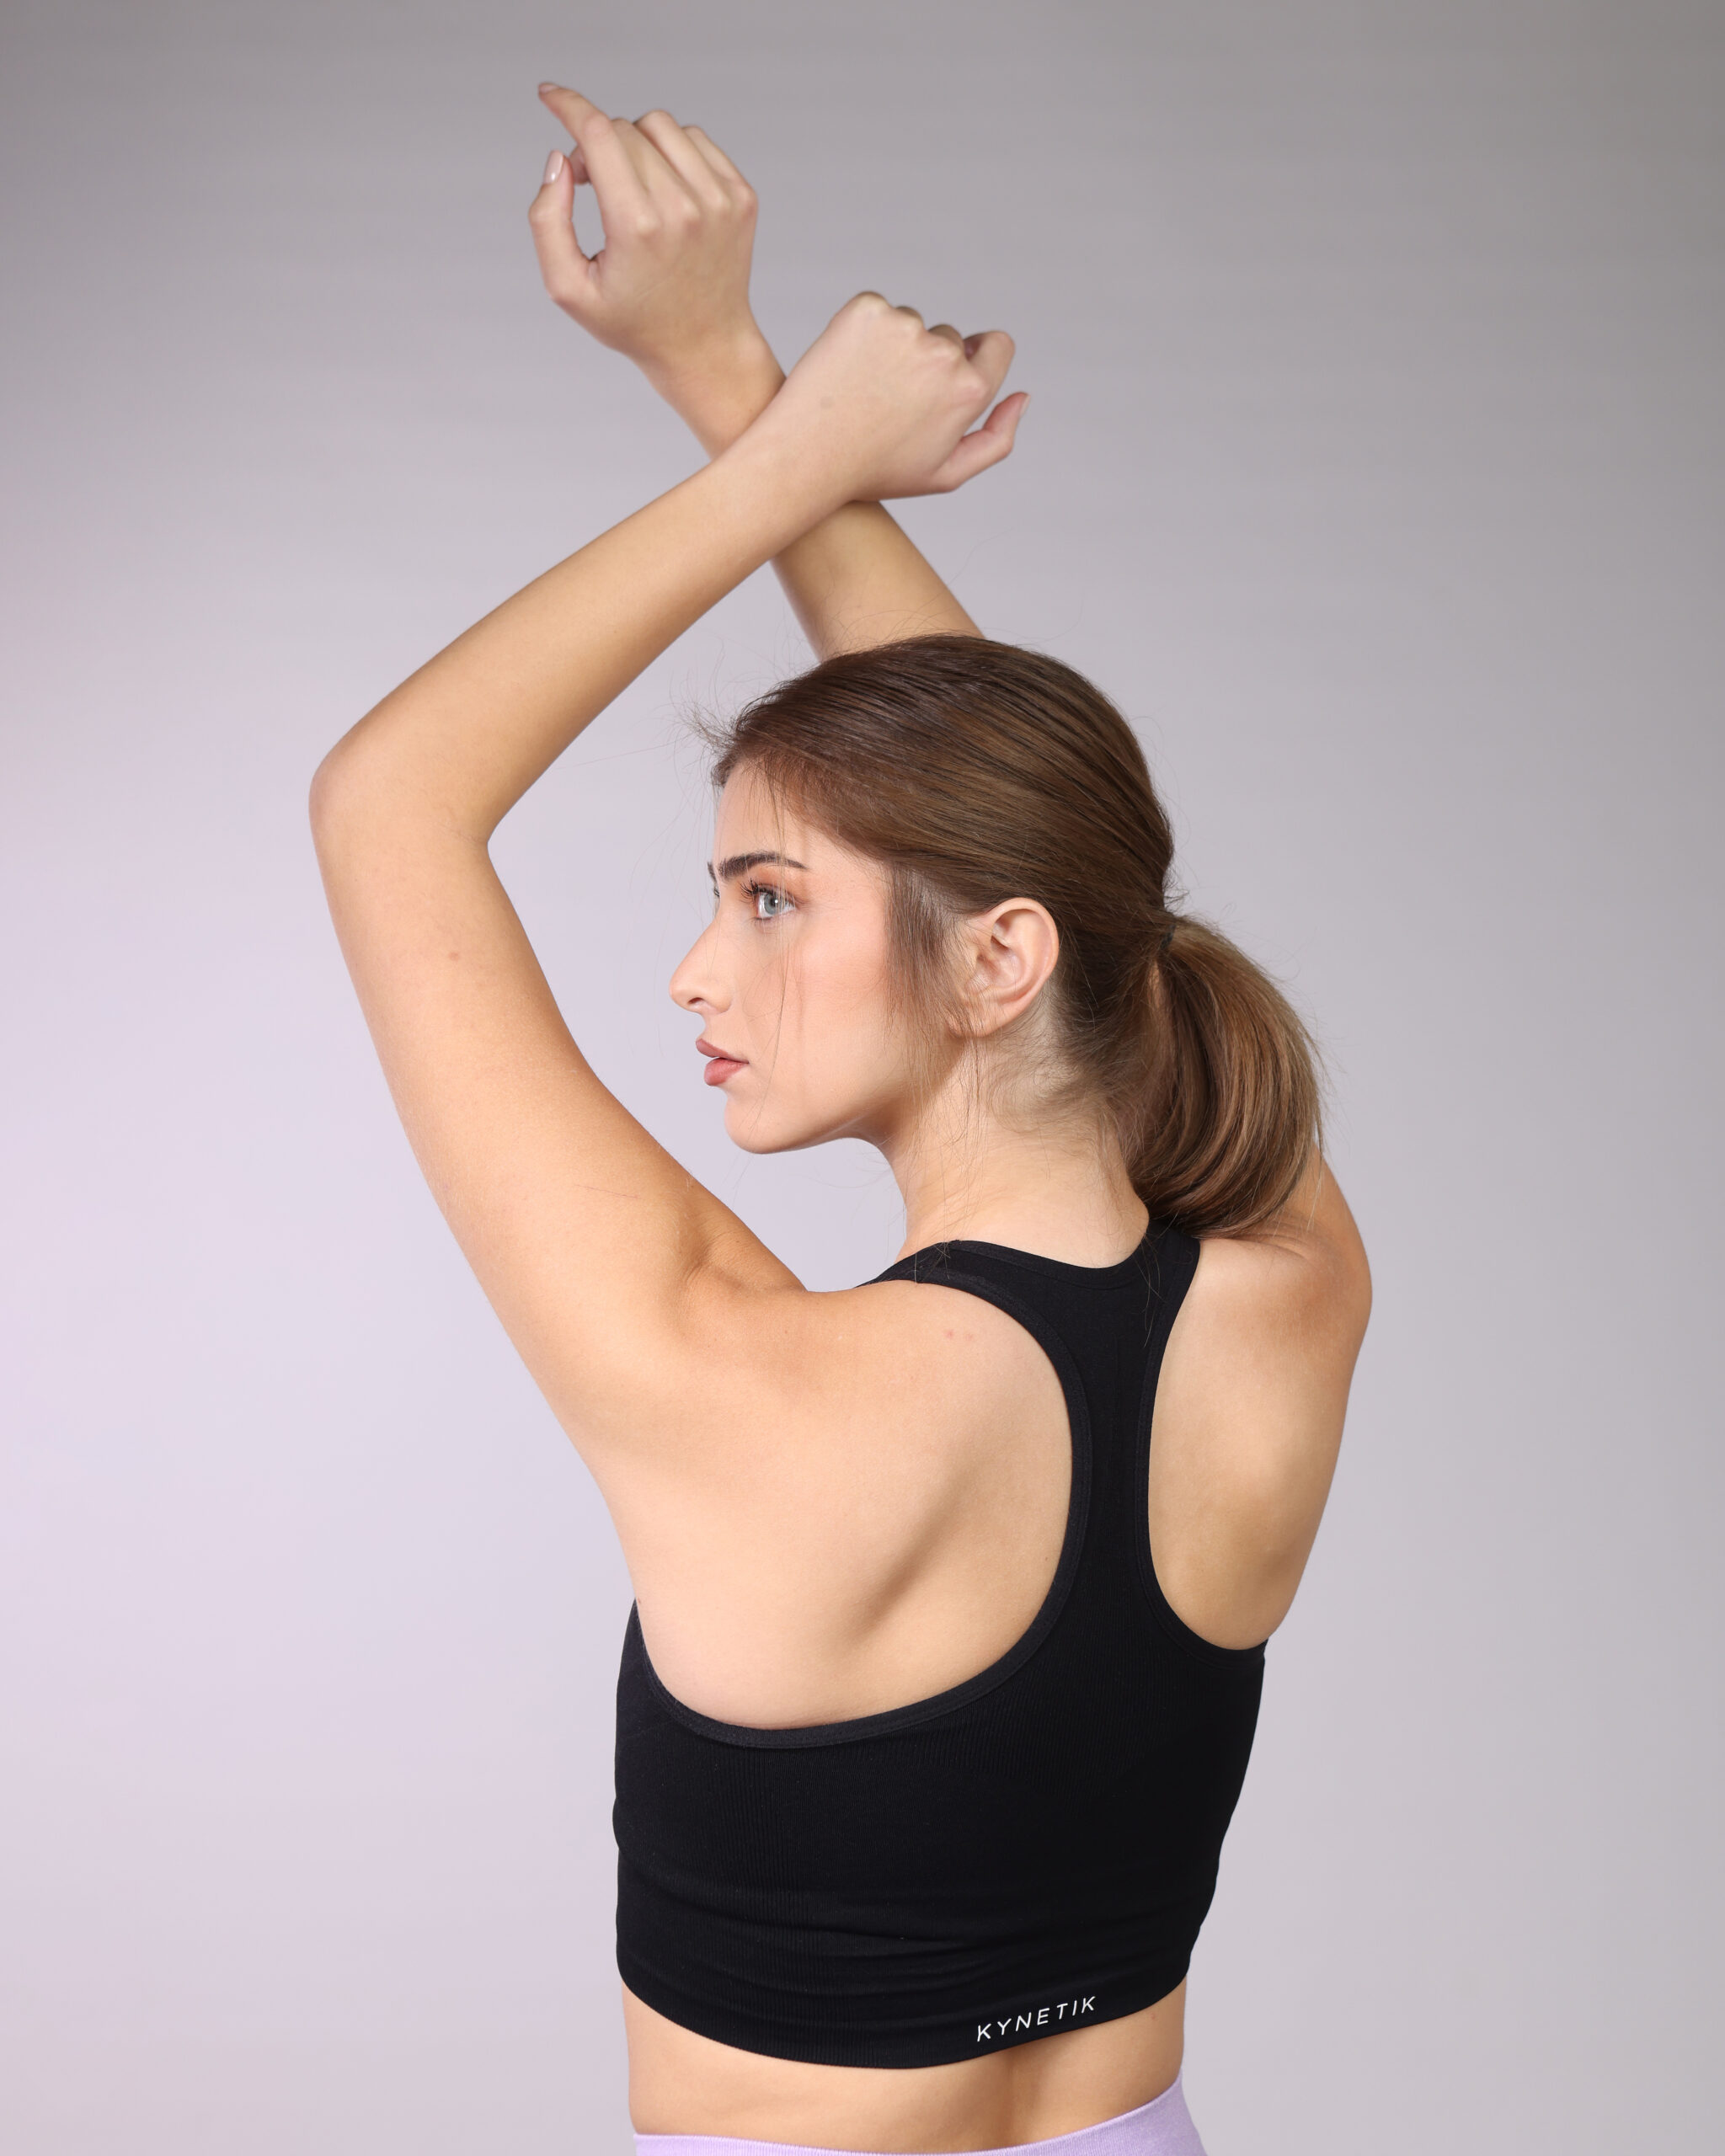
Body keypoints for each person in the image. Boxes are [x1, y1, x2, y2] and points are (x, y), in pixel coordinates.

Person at [311, 82, 1371, 2156]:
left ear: (997, 958)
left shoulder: (734, 1374)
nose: (696, 973)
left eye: (768, 898)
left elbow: (386, 803)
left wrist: (789, 448)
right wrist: (732, 375)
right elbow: (1050, 847)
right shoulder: (1293, 1289)